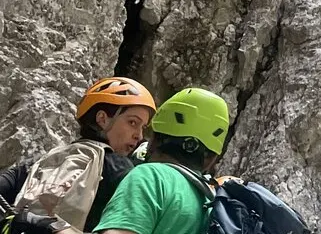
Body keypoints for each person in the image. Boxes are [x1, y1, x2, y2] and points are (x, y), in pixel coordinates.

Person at [4, 87, 232, 234]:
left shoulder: (151, 177)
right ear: (211, 157)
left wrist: (52, 227)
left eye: (146, 130)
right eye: (134, 124)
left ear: (159, 136)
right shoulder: (211, 199)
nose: (141, 137)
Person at [0, 77, 157, 231]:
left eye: (142, 127)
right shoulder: (120, 169)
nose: (139, 136)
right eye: (133, 123)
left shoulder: (47, 160)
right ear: (102, 119)